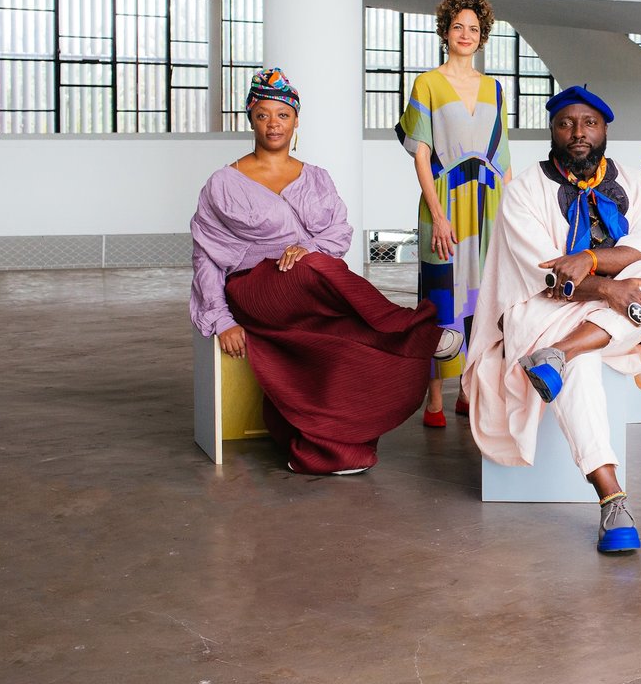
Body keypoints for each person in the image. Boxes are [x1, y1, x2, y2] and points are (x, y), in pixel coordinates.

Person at [190, 68, 462, 476]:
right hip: (255, 289)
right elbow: (205, 257)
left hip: (310, 287)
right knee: (317, 264)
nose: (273, 124)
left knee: (350, 336)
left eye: (282, 115)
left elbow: (338, 233)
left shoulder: (316, 177)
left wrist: (306, 249)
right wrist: (222, 320)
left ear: (296, 120)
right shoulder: (223, 183)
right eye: (263, 115)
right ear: (250, 120)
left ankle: (331, 446)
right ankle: (419, 328)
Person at [464, 85, 641, 554]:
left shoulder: (638, 183)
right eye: (566, 123)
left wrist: (589, 258)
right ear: (553, 130)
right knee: (581, 367)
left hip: (609, 309)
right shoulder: (525, 188)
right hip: (545, 308)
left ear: (605, 128)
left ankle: (560, 353)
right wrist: (609, 286)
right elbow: (540, 271)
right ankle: (612, 500)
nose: (578, 133)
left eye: (589, 123)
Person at [396, 0, 511, 428]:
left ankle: (467, 387)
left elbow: (504, 158)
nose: (466, 35)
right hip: (443, 201)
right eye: (458, 27)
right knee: (440, 298)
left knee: (481, 301)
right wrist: (438, 214)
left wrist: (513, 219)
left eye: (474, 29)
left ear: (483, 38)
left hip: (488, 203)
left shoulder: (494, 88)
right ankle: (433, 399)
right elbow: (421, 155)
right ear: (446, 32)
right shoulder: (427, 83)